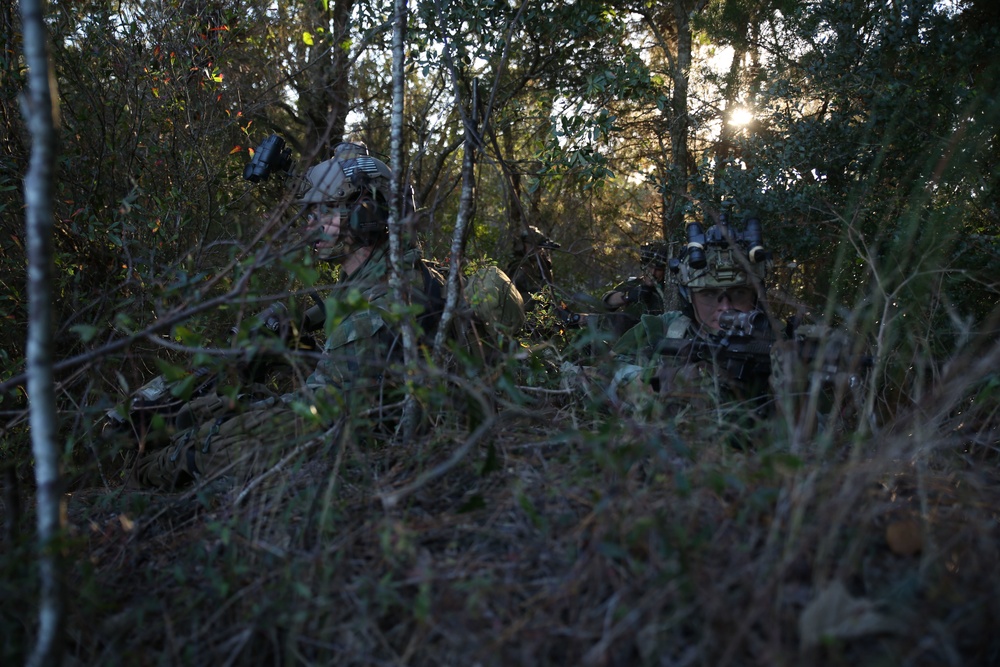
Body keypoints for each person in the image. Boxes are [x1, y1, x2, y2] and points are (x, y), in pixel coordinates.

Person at [132, 143, 448, 489]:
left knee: (209, 443)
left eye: (322, 212)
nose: (309, 226)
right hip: (372, 416)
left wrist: (227, 410)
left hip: (370, 453)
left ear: (364, 214)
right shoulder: (391, 269)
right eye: (310, 213)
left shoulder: (374, 310)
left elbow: (311, 416)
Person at [506, 225, 559, 311]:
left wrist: (546, 266)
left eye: (540, 248)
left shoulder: (533, 265)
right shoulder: (520, 267)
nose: (539, 250)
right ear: (523, 246)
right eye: (535, 247)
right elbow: (540, 293)